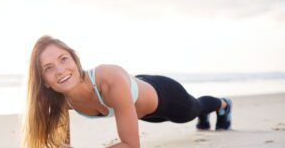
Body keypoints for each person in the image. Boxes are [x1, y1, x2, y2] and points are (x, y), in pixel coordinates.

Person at [22, 35, 232, 148]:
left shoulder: (107, 80)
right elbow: (63, 144)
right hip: (141, 112)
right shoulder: (61, 99)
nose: (60, 71)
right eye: (48, 68)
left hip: (165, 96)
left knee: (194, 108)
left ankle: (223, 104)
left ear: (75, 60)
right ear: (45, 82)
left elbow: (131, 145)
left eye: (63, 59)